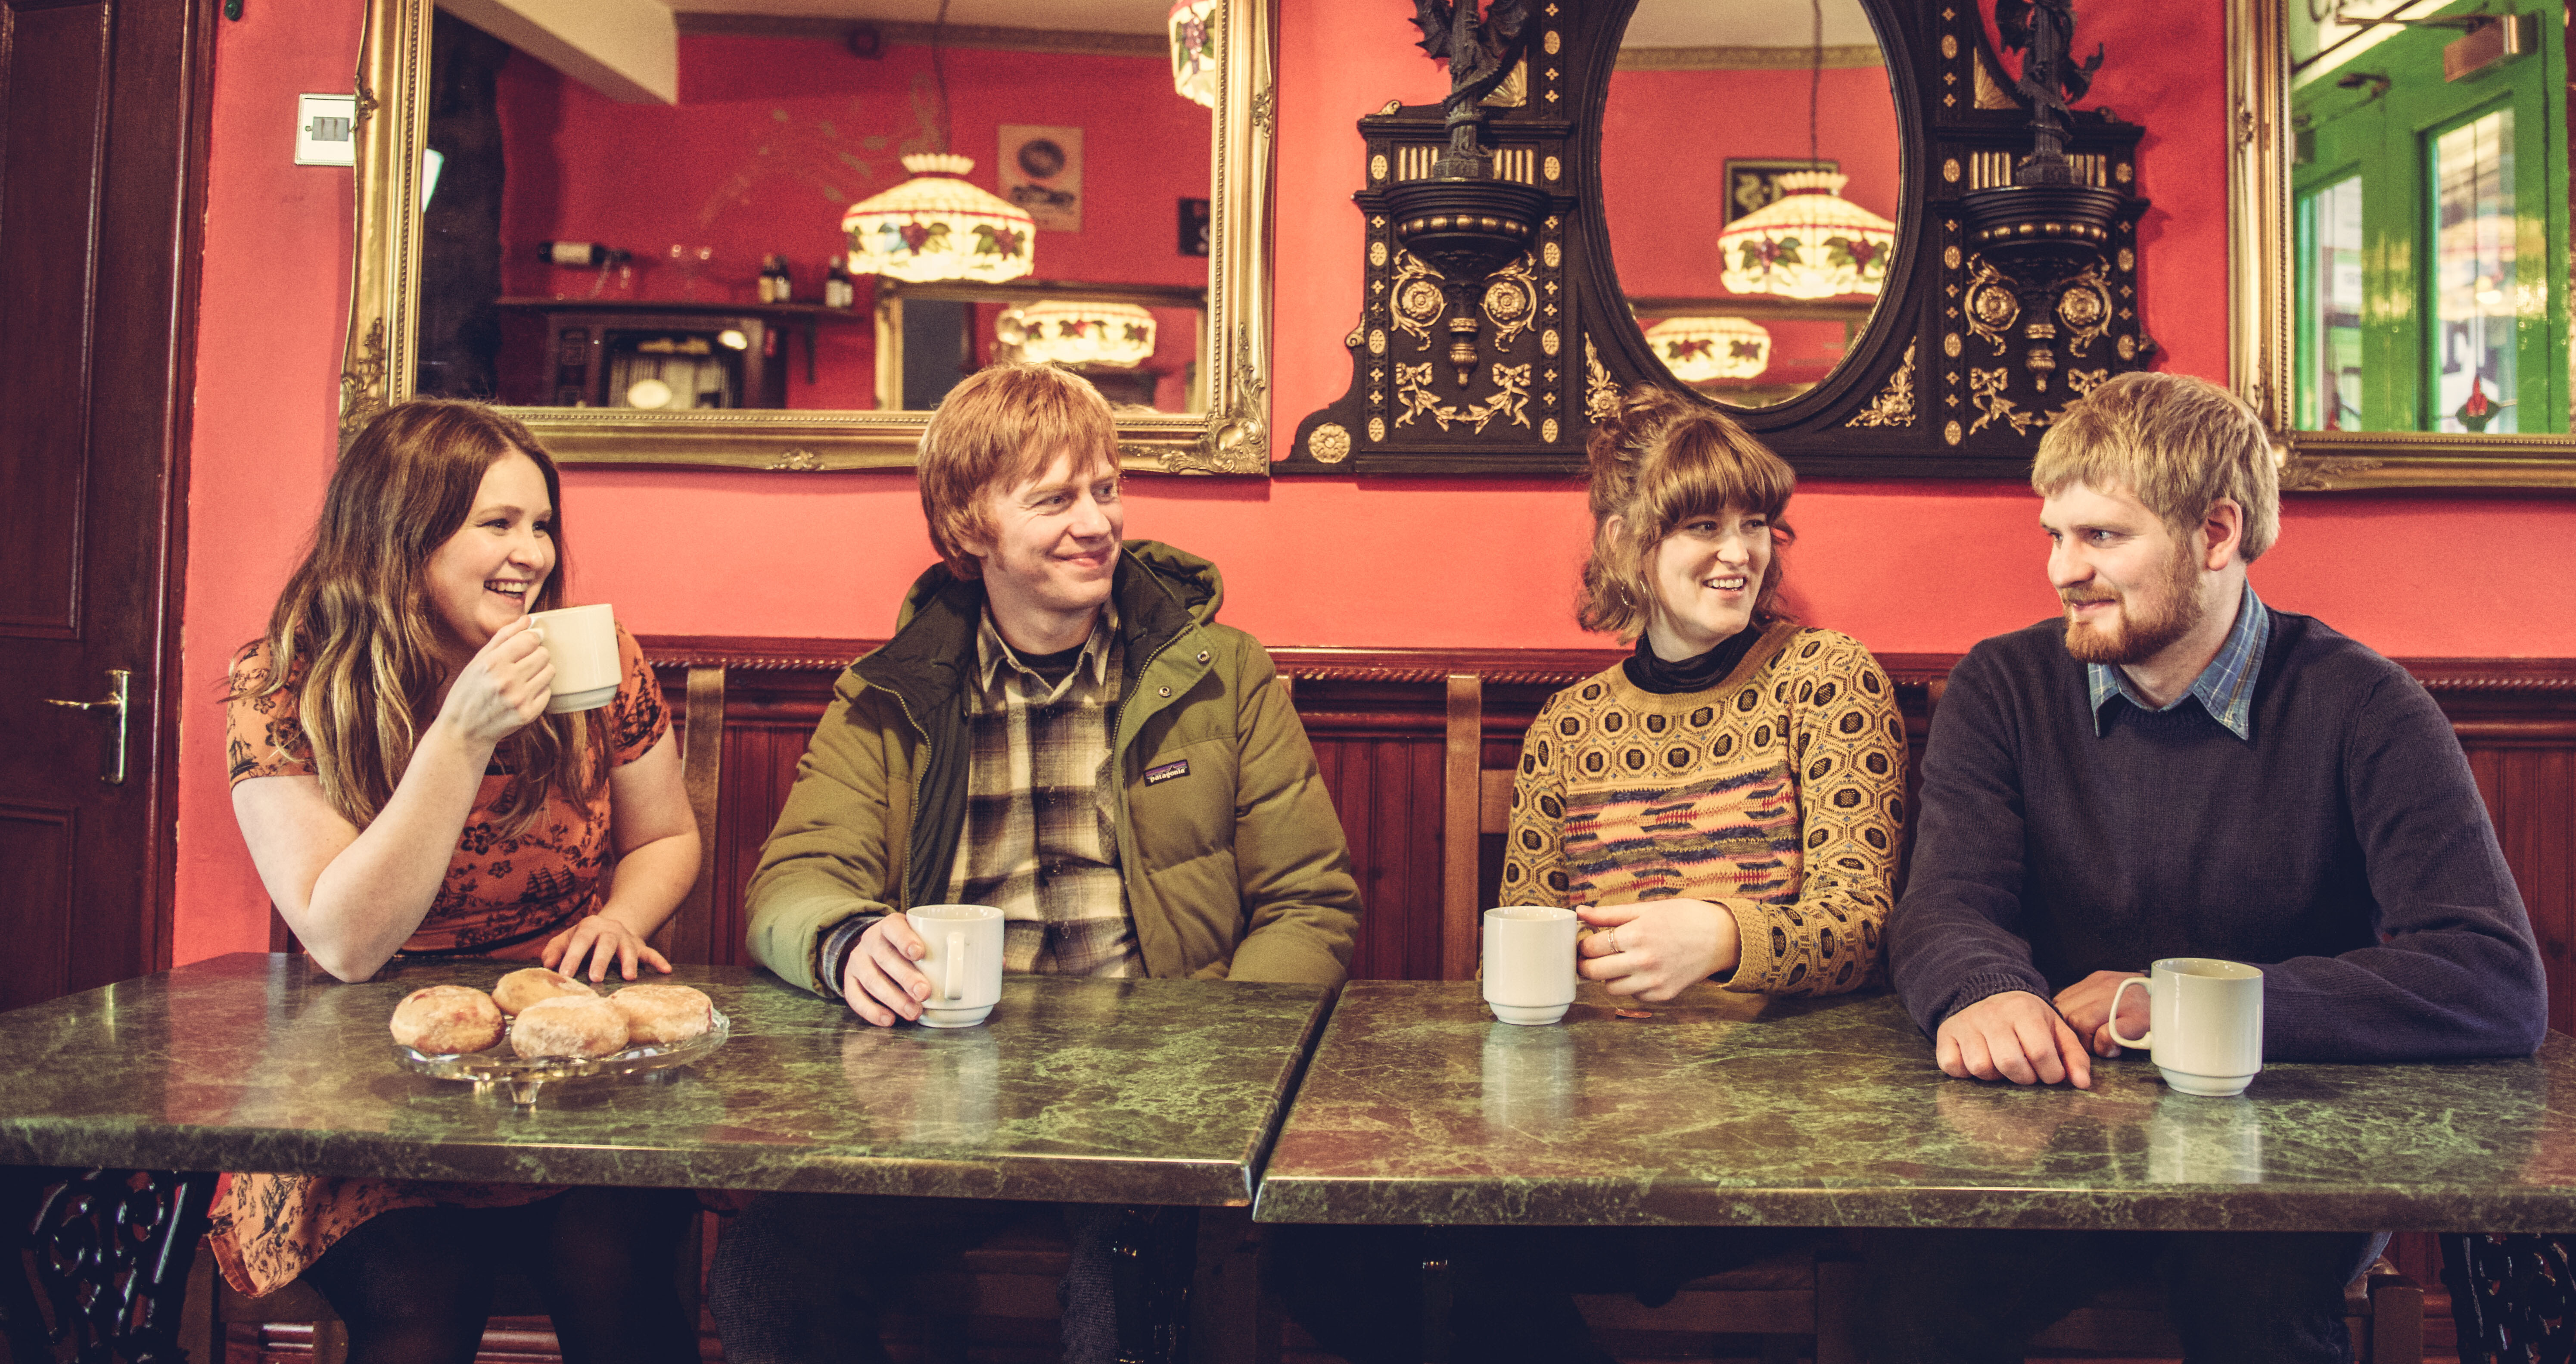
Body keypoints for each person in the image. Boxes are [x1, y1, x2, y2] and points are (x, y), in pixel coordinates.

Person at [1859, 371, 2546, 1364]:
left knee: (2256, 1313)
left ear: (2216, 534)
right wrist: (1982, 991)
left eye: (2102, 537)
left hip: (2284, 1144)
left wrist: (2169, 1005)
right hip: (2056, 1128)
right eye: (2056, 536)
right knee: (1910, 1295)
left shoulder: (2367, 707)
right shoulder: (2001, 686)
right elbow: (1947, 907)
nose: (2063, 570)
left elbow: (2490, 976)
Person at [711, 361, 1360, 1364]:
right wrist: (843, 940)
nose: (1097, 523)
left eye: (1105, 488)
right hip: (942, 1095)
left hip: (1155, 1101)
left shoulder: (1222, 672)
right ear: (969, 527)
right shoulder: (890, 694)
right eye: (1054, 500)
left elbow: (1309, 905)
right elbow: (792, 883)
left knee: (1122, 1300)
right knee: (766, 1270)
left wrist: (1212, 1055)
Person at [1280, 387, 1906, 1364]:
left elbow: (1865, 924)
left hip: (1782, 1122)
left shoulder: (1825, 678)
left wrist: (1721, 936)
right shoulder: (1569, 725)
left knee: (1469, 1269)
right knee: (1315, 1246)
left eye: (1754, 524)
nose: (1739, 553)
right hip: (1586, 1122)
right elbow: (1517, 952)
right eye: (1702, 525)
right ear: (1626, 542)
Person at [211, 399, 702, 1364]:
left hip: (567, 1058)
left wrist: (623, 916)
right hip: (371, 1071)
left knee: (616, 1267)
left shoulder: (591, 659)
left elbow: (667, 836)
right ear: (403, 537)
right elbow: (346, 942)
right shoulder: (284, 685)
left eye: (542, 524)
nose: (534, 554)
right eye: (498, 523)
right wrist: (461, 735)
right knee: (422, 1294)